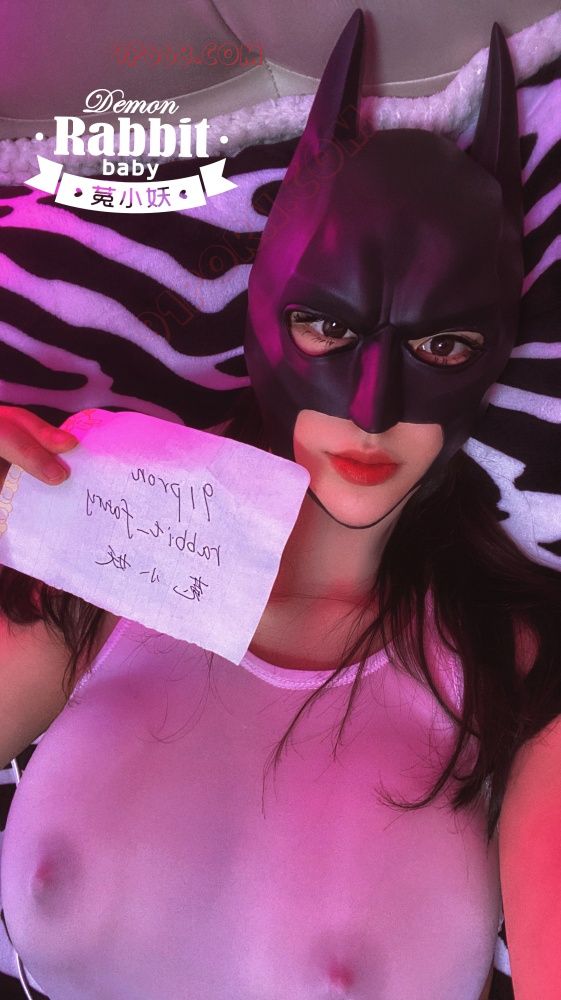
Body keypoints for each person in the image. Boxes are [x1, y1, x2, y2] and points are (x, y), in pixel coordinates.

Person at [0, 10, 560, 1000]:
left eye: (441, 346)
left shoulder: (512, 671)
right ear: (266, 319)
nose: (372, 408)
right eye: (326, 327)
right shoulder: (102, 583)